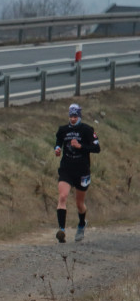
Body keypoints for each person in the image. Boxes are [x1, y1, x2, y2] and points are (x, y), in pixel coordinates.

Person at [54, 102, 100, 243]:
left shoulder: (87, 130)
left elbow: (97, 148)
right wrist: (57, 149)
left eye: (75, 116)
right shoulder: (63, 130)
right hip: (66, 168)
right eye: (71, 116)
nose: (73, 119)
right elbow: (58, 141)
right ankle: (61, 230)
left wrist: (80, 146)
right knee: (62, 196)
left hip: (82, 170)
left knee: (79, 204)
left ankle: (81, 224)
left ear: (79, 116)